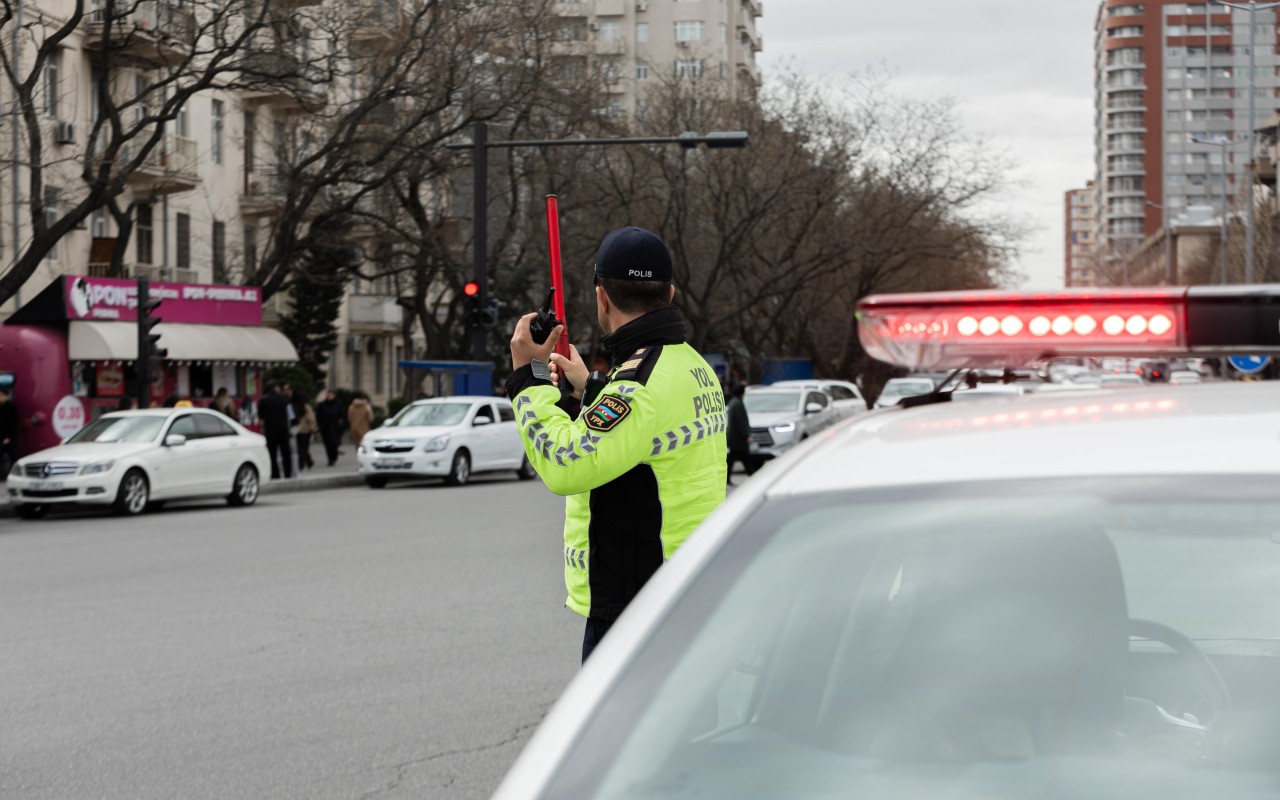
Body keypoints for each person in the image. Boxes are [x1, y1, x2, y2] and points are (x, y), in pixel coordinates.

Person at [504, 225, 727, 663]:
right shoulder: (691, 363)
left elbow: (565, 464)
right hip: (689, 589)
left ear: (601, 297)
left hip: (638, 605)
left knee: (618, 733)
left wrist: (525, 377)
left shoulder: (636, 385)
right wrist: (592, 390)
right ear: (671, 292)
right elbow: (645, 442)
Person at [257, 383, 293, 479]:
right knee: (286, 453)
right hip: (284, 430)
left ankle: (275, 474)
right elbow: (291, 414)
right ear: (275, 388)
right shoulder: (284, 398)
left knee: (272, 454)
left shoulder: (263, 401)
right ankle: (288, 474)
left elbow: (261, 417)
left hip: (270, 431)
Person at [725, 383, 754, 484]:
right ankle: (753, 479)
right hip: (738, 438)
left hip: (734, 438)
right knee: (745, 458)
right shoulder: (737, 403)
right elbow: (741, 421)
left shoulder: (734, 402)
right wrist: (746, 435)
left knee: (733, 459)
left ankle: (727, 478)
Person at [315, 390, 345, 467]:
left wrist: (340, 422)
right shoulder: (322, 405)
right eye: (328, 394)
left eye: (331, 394)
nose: (329, 396)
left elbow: (342, 415)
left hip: (335, 427)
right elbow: (318, 416)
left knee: (334, 444)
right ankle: (330, 459)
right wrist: (319, 425)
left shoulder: (338, 404)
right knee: (327, 444)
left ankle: (334, 456)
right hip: (325, 427)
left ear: (334, 395)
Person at [293, 393, 317, 471]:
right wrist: (313, 428)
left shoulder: (293, 406)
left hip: (297, 430)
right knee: (304, 447)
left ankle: (308, 462)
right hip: (306, 430)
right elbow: (311, 418)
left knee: (300, 447)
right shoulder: (306, 406)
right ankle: (303, 463)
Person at [0, 387, 18, 475]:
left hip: (9, 438)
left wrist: (9, 437)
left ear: (6, 396)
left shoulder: (11, 407)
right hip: (1, 437)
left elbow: (14, 424)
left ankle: (14, 473)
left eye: (0, 395)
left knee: (13, 456)